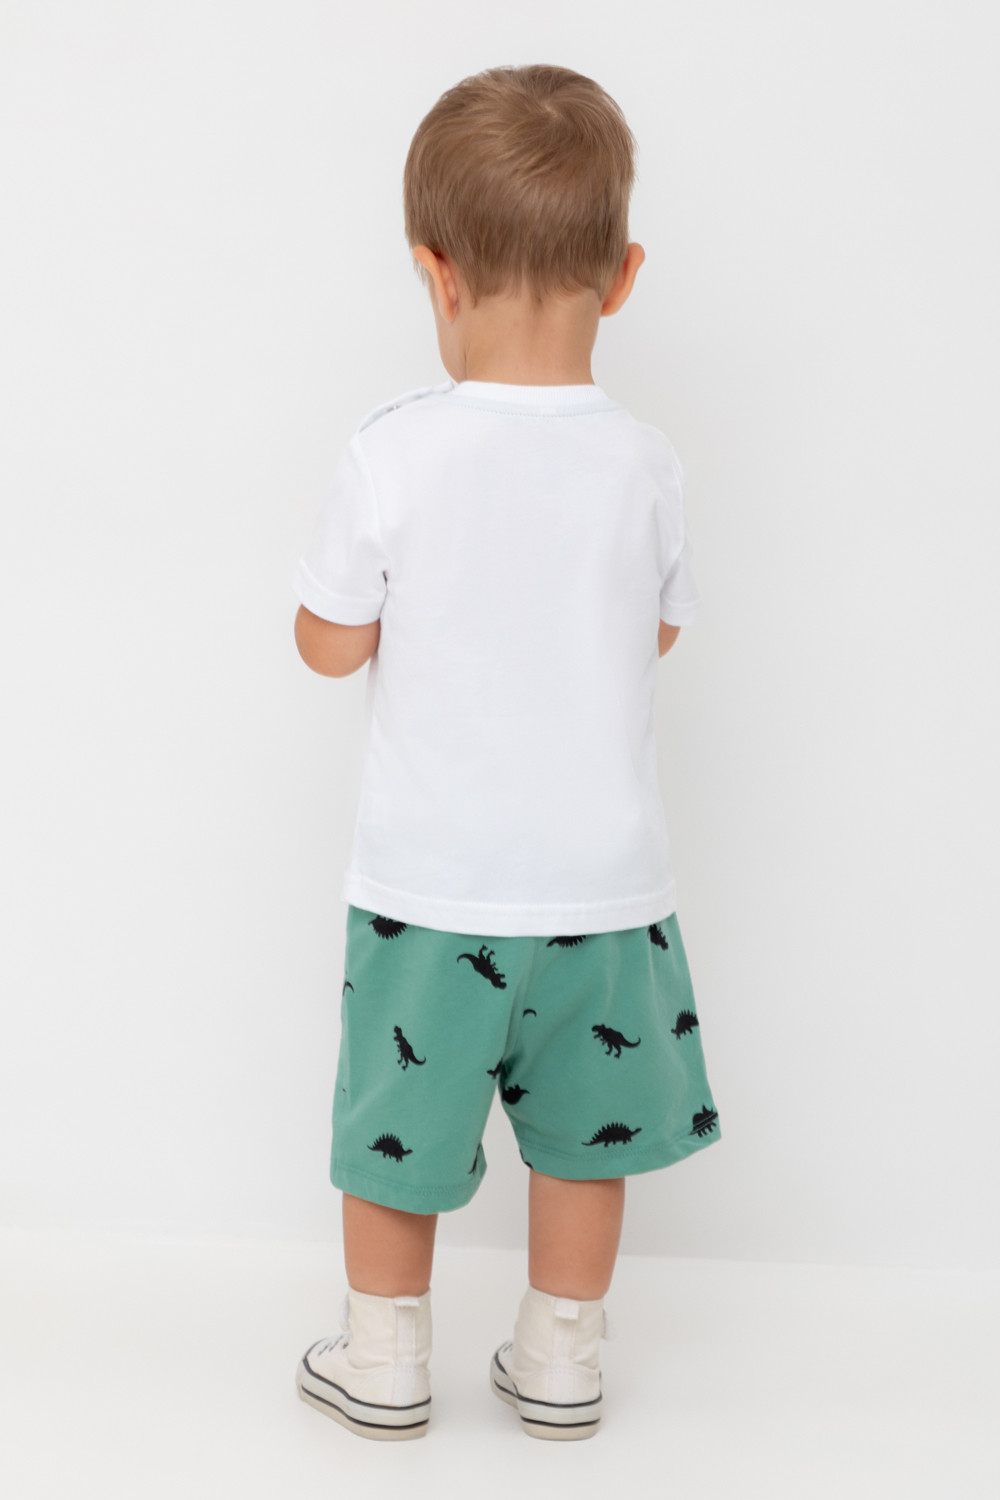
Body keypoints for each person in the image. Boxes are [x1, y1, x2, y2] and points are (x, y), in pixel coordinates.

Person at [290, 63, 721, 1443]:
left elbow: (328, 647)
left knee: (396, 1128)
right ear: (626, 275)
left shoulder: (394, 452)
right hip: (605, 892)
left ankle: (382, 1357)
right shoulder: (646, 462)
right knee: (591, 1134)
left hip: (432, 891)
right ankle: (561, 1357)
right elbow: (659, 632)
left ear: (435, 272)